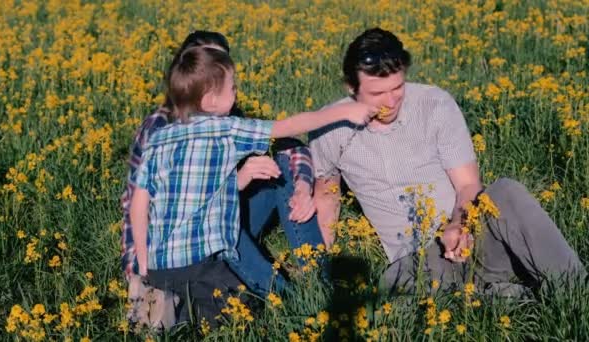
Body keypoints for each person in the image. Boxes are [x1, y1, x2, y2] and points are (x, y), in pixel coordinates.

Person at [310, 28, 585, 296]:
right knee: (392, 283)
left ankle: (576, 291)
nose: (391, 101)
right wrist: (317, 271)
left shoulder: (434, 104)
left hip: (474, 238)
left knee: (506, 191)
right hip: (420, 263)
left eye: (397, 88)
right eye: (377, 94)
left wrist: (459, 225)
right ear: (351, 88)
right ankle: (509, 294)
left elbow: (467, 185)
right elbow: (326, 199)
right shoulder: (330, 127)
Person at [129, 46, 376, 324]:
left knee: (185, 311)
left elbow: (140, 202)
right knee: (247, 311)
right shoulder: (224, 129)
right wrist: (344, 111)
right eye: (232, 88)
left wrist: (143, 259)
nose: (236, 93)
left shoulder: (159, 139)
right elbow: (290, 126)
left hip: (160, 266)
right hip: (203, 264)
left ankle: (165, 308)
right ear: (210, 101)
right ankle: (305, 301)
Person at [120, 31, 324, 299]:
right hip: (189, 235)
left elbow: (290, 143)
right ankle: (285, 299)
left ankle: (321, 281)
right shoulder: (161, 126)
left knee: (283, 160)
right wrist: (138, 269)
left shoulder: (227, 114)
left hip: (229, 216)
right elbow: (134, 202)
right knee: (218, 217)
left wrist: (303, 186)